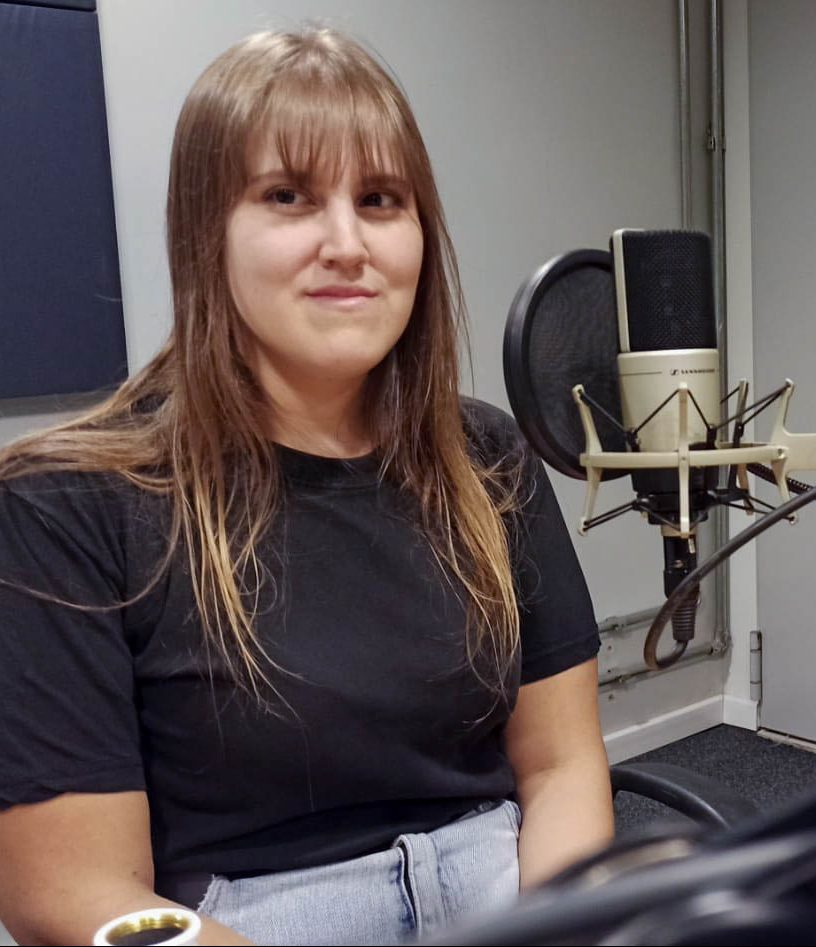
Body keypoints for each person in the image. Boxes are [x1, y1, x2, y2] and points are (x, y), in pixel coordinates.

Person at [0, 28, 612, 946]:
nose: (347, 244)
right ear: (206, 230)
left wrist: (557, 930)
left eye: (380, 200)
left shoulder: (485, 455)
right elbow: (73, 889)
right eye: (288, 196)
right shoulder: (66, 503)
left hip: (507, 903)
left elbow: (563, 766)